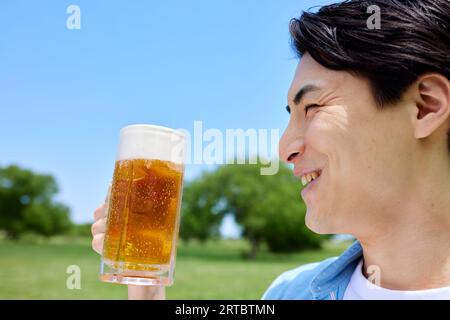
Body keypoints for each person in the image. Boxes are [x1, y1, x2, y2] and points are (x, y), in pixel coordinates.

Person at [91, 0, 450, 300]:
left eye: (312, 108)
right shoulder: (286, 292)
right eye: (290, 116)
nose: (284, 149)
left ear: (425, 107)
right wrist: (148, 290)